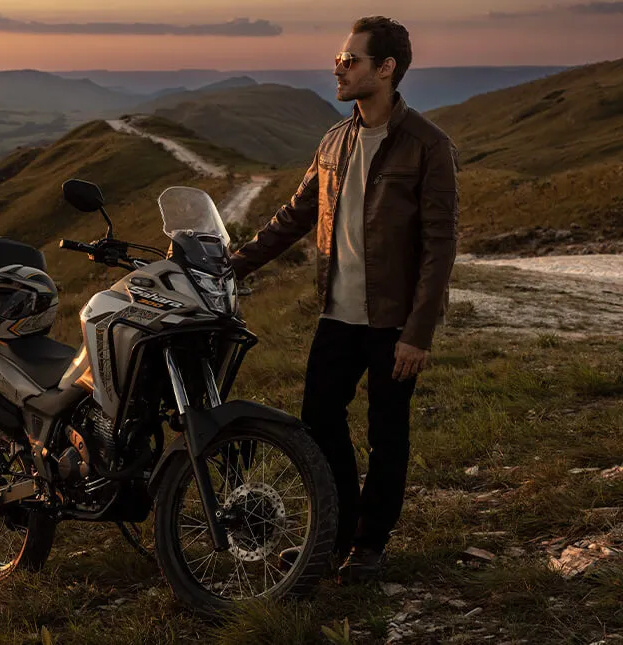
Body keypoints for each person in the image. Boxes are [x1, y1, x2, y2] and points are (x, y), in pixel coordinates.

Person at [229, 16, 459, 583]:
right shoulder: (335, 139)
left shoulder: (429, 145)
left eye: (351, 59)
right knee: (318, 420)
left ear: (386, 69)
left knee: (388, 433)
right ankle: (334, 535)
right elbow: (294, 216)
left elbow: (440, 246)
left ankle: (370, 546)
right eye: (339, 56)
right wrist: (231, 264)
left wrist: (417, 333)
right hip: (337, 314)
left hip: (392, 324)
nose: (338, 65)